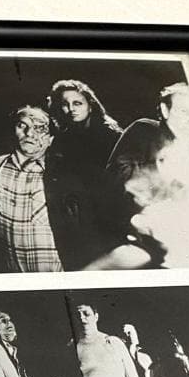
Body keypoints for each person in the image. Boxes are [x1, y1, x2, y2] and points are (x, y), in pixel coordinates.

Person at [98, 82, 189, 270]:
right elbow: (118, 178)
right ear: (165, 110)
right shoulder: (144, 131)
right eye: (184, 111)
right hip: (142, 238)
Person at [44, 79, 123, 269]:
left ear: (90, 105)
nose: (71, 109)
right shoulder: (61, 139)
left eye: (77, 103)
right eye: (65, 104)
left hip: (108, 216)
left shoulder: (110, 135)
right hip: (77, 218)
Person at [0, 106, 61, 273]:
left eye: (40, 128)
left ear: (51, 139)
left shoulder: (62, 176)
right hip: (9, 276)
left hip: (54, 276)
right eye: (22, 126)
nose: (29, 133)